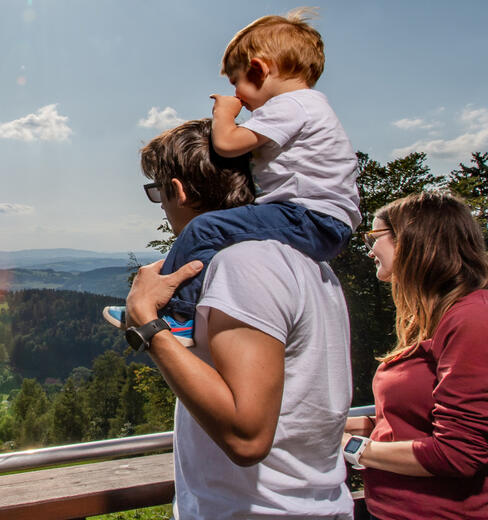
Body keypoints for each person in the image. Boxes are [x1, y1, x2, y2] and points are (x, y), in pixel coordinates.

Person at [124, 119, 354, 519]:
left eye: (157, 191)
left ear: (176, 190)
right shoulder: (307, 263)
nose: (161, 204)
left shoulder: (243, 264)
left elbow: (247, 438)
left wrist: (146, 322)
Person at [105, 8, 360, 345]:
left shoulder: (293, 106)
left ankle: (178, 316)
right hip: (323, 221)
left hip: (311, 217)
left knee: (203, 230)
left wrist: (149, 324)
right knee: (211, 235)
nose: (239, 96)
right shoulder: (299, 265)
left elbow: (227, 144)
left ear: (259, 69)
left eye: (236, 81)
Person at [343, 191, 488, 519]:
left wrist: (350, 448)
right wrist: (334, 426)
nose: (369, 250)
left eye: (374, 237)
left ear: (412, 240)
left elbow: (457, 453)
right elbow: (417, 422)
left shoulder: (479, 321)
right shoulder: (444, 319)